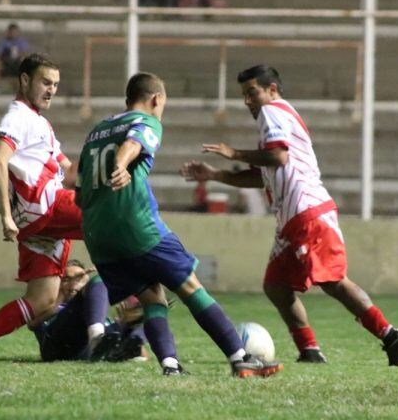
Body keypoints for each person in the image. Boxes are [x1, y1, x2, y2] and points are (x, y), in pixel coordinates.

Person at [180, 65, 398, 366]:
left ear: (272, 90)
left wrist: (234, 153)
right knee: (276, 285)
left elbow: (278, 157)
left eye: (252, 93)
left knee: (333, 281)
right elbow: (266, 173)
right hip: (292, 219)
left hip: (306, 211)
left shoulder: (272, 111)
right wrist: (215, 174)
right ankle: (310, 350)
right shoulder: (278, 116)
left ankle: (389, 334)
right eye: (244, 96)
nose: (248, 101)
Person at [75, 72, 282, 378]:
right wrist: (120, 165)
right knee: (189, 285)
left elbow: (78, 191)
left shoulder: (97, 131)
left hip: (97, 235)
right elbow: (134, 143)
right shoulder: (148, 121)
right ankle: (240, 357)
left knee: (151, 297)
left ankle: (170, 365)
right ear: (156, 99)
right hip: (135, 225)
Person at [0, 53, 84, 364]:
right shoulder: (18, 117)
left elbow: (71, 171)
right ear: (25, 80)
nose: (51, 89)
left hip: (37, 221)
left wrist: (106, 157)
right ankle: (133, 310)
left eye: (55, 84)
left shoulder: (40, 123)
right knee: (114, 224)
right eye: (45, 82)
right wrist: (5, 217)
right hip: (45, 207)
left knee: (42, 300)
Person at [32, 259, 148, 363]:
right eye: (66, 279)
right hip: (57, 346)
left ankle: (120, 352)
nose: (74, 285)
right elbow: (32, 322)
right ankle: (96, 338)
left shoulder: (97, 314)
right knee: (100, 279)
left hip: (87, 351)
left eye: (79, 279)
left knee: (136, 319)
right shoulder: (47, 305)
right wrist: (58, 300)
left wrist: (127, 324)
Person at [0, 23, 31, 93]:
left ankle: (24, 87)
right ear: (8, 32)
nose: (13, 34)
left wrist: (18, 54)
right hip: (6, 61)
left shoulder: (21, 42)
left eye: (15, 32)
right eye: (11, 32)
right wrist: (5, 54)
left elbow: (26, 52)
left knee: (24, 61)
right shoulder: (4, 42)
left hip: (17, 62)